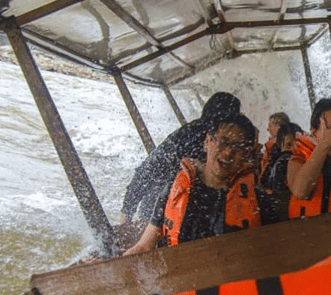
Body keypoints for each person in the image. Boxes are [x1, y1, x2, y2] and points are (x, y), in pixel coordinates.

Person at [123, 113, 277, 255]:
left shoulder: (259, 201)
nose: (228, 153)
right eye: (223, 142)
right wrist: (112, 264)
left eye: (238, 147)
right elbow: (144, 246)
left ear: (245, 154)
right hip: (180, 280)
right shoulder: (173, 190)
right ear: (207, 142)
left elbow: (274, 252)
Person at [118, 92, 240, 223]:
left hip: (184, 206)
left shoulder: (223, 143)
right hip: (159, 207)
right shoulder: (189, 135)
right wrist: (127, 212)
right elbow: (148, 170)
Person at [261, 121, 304, 210]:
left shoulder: (271, 164)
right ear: (280, 146)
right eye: (289, 145)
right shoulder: (284, 160)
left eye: (298, 144)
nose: (294, 149)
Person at [260, 111, 290, 177]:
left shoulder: (276, 147)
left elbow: (268, 172)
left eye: (270, 126)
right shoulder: (290, 143)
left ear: (278, 127)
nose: (268, 129)